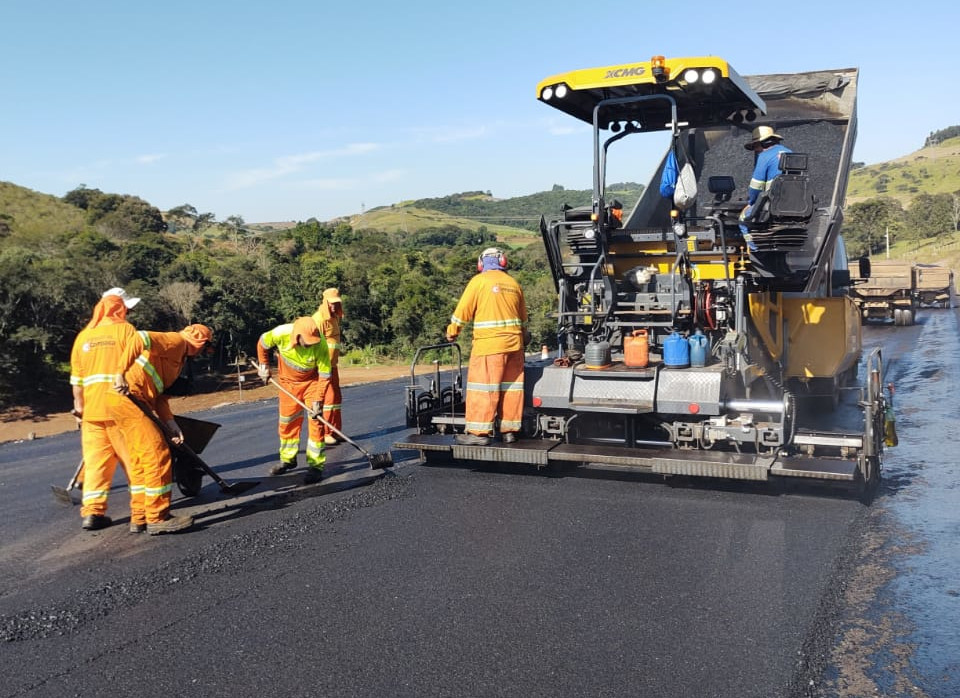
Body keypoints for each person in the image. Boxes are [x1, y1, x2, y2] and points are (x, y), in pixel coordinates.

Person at [115, 324, 214, 535]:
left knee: (141, 462)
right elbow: (140, 338)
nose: (201, 354)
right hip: (130, 398)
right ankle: (157, 518)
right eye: (204, 348)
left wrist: (172, 425)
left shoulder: (177, 361)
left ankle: (140, 516)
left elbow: (160, 398)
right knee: (157, 457)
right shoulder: (176, 342)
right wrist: (120, 373)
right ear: (200, 342)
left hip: (129, 403)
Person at [69, 294, 147, 531]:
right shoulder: (126, 332)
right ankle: (140, 514)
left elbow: (77, 381)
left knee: (95, 466)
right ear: (120, 310)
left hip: (92, 414)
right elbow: (138, 369)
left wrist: (79, 408)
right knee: (135, 462)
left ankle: (92, 512)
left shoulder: (84, 337)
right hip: (121, 410)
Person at [445, 247, 530, 446]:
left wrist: (452, 331)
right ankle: (509, 431)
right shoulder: (513, 283)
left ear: (481, 264)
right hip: (515, 347)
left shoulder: (478, 282)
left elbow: (462, 312)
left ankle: (478, 433)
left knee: (483, 389)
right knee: (511, 389)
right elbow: (524, 321)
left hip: (489, 346)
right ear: (503, 261)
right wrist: (523, 338)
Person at [257, 317, 332, 483]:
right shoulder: (281, 333)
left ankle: (316, 466)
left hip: (312, 384)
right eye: (307, 341)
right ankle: (288, 460)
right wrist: (264, 366)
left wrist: (318, 401)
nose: (311, 344)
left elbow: (325, 374)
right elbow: (262, 343)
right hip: (287, 384)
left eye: (313, 341)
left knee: (316, 421)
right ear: (297, 336)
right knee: (287, 422)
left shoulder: (320, 344)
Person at [739, 125, 792, 248]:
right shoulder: (790, 153)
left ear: (764, 143)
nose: (755, 150)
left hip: (772, 204)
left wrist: (751, 203)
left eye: (756, 145)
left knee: (743, 220)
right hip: (793, 204)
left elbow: (756, 187)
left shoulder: (764, 157)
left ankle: (755, 250)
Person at [312, 288, 344, 446]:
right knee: (329, 400)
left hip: (333, 365)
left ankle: (336, 430)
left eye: (336, 303)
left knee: (337, 398)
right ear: (325, 303)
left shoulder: (335, 318)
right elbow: (313, 343)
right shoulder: (319, 319)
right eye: (331, 303)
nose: (334, 306)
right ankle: (326, 432)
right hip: (323, 367)